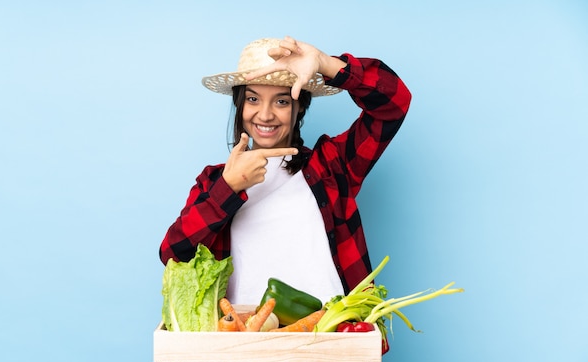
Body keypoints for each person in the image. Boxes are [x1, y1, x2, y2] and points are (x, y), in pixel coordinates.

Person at [160, 36, 411, 304]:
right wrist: (229, 188)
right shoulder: (215, 182)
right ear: (239, 104)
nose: (265, 115)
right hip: (245, 335)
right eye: (253, 99)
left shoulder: (331, 166)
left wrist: (326, 64)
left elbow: (394, 104)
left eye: (281, 101)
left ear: (299, 106)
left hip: (336, 332)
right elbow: (174, 255)